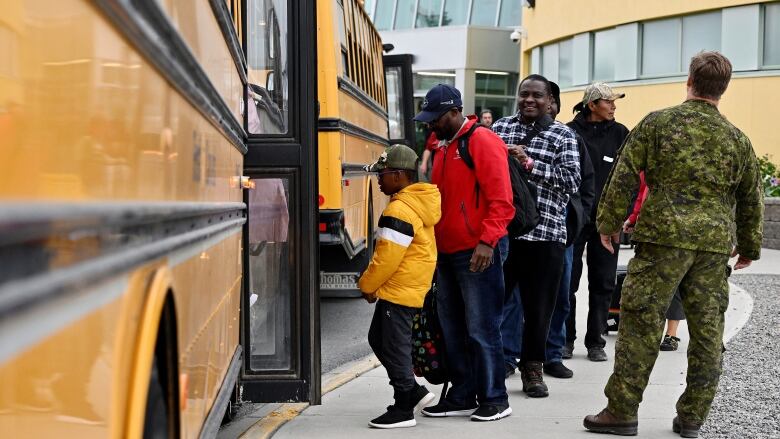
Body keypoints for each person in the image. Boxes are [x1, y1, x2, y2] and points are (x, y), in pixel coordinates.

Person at [584, 51, 764, 437]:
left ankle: (622, 412)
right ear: (724, 88)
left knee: (640, 324)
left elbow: (624, 175)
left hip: (662, 239)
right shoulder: (737, 139)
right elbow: (752, 197)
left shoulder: (658, 124)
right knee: (707, 331)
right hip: (713, 244)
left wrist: (608, 223)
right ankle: (692, 417)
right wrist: (749, 244)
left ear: (690, 79)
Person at [415, 84, 515, 421]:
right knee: (453, 327)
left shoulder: (481, 140)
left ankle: (495, 397)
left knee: (482, 327)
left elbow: (502, 198)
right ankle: (462, 393)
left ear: (454, 112)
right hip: (447, 252)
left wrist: (487, 241)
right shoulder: (445, 145)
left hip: (476, 251)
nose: (430, 125)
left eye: (435, 118)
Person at [493, 74, 580, 397]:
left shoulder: (562, 135)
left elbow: (571, 181)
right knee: (496, 303)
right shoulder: (500, 129)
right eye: (524, 94)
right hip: (506, 235)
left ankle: (533, 369)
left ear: (549, 101)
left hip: (546, 236)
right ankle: (497, 363)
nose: (529, 100)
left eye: (537, 96)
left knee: (539, 308)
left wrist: (528, 162)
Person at [358, 144, 441, 429]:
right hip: (408, 286)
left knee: (393, 346)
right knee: (380, 339)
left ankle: (405, 404)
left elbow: (386, 258)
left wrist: (367, 285)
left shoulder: (399, 210)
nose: (378, 179)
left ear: (398, 175)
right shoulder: (416, 203)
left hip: (398, 288)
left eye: (382, 174)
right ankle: (411, 392)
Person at [564, 82, 629, 363]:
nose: (614, 106)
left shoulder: (621, 133)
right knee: (567, 282)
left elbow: (630, 178)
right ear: (592, 105)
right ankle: (565, 340)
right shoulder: (568, 131)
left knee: (603, 282)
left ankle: (596, 341)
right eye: (609, 101)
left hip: (608, 221)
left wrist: (620, 216)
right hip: (574, 218)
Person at [544, 82, 595, 379]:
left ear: (556, 106)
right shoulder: (511, 133)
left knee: (560, 294)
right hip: (522, 232)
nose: (542, 106)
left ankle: (553, 353)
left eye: (548, 101)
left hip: (562, 232)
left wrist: (580, 217)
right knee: (516, 300)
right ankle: (512, 356)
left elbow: (586, 183)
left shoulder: (568, 137)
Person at [624, 172, 686, 352]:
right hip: (652, 232)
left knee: (676, 283)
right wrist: (634, 218)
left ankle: (671, 334)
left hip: (678, 231)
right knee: (650, 282)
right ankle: (653, 331)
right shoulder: (651, 157)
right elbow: (644, 192)